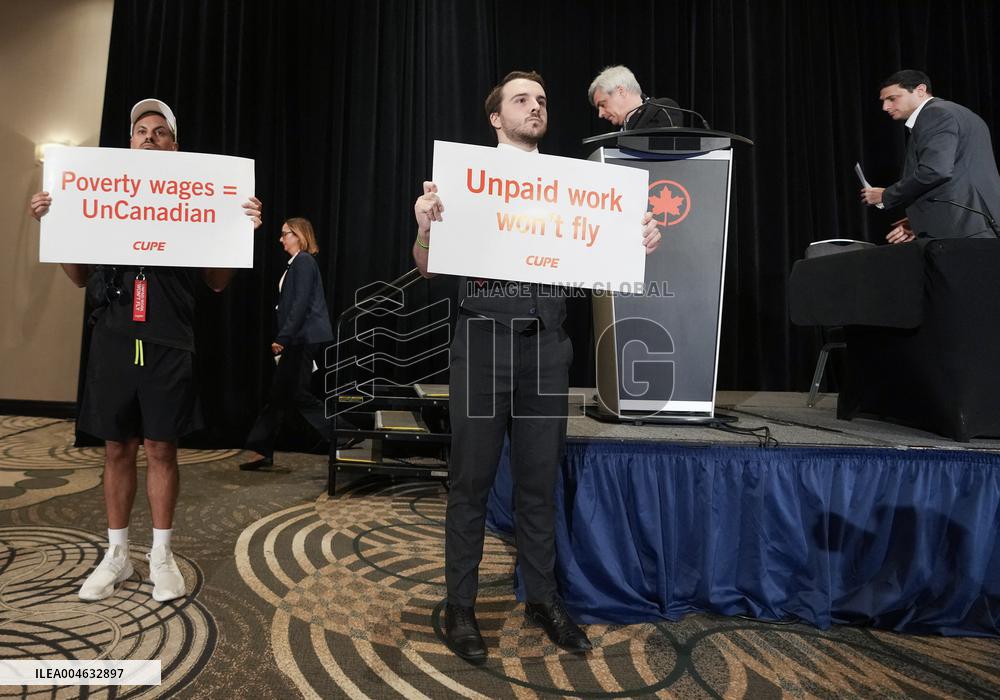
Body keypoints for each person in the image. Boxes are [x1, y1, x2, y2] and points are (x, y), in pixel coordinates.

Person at [412, 70, 661, 661]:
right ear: (496, 118)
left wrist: (638, 241)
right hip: (482, 343)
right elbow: (426, 267)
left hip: (548, 346)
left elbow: (604, 260)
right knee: (471, 479)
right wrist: (425, 227)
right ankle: (462, 606)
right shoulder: (465, 180)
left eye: (542, 100)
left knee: (538, 481)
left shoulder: (572, 186)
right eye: (521, 100)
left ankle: (543, 600)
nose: (535, 107)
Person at [29, 98, 263, 602]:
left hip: (168, 338)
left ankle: (161, 555)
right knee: (116, 448)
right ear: (128, 143)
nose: (150, 137)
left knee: (161, 447)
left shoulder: (196, 200)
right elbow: (78, 276)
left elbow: (218, 283)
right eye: (141, 131)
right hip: (114, 336)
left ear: (174, 146)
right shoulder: (105, 196)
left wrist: (237, 230)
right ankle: (116, 556)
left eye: (161, 132)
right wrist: (55, 223)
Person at [861, 69, 1000, 243]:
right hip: (978, 223)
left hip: (965, 229)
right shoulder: (962, 113)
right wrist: (921, 222)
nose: (885, 107)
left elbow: (935, 171)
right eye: (883, 101)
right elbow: (959, 177)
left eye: (892, 98)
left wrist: (886, 195)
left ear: (920, 91)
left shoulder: (934, 114)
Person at [240, 217, 334, 470]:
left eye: (285, 234)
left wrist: (283, 338)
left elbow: (300, 304)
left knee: (295, 393)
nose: (281, 239)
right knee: (279, 395)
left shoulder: (303, 261)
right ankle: (262, 449)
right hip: (298, 336)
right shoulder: (295, 264)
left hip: (301, 337)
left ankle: (343, 432)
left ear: (299, 235)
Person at [588, 64, 682, 130]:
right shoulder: (625, 126)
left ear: (620, 91)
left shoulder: (660, 109)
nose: (600, 114)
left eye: (603, 105)